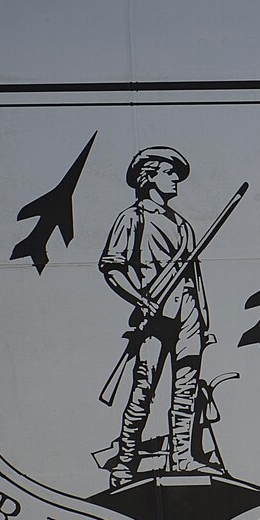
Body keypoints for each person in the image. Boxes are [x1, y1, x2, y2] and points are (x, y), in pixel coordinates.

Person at [98, 146, 214, 488]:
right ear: (148, 177)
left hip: (188, 314)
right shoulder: (132, 218)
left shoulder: (183, 225)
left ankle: (183, 457)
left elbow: (195, 276)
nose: (175, 178)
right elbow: (112, 267)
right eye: (168, 172)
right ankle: (125, 463)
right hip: (156, 312)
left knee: (187, 388)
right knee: (143, 389)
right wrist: (139, 298)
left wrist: (204, 319)